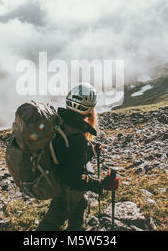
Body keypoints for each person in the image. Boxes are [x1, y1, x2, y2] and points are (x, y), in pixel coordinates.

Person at [36, 83, 120, 231]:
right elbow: (74, 178)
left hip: (57, 179)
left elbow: (66, 156)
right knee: (49, 225)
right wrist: (102, 183)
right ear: (89, 109)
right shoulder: (77, 136)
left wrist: (90, 152)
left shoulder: (60, 121)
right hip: (66, 192)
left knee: (80, 204)